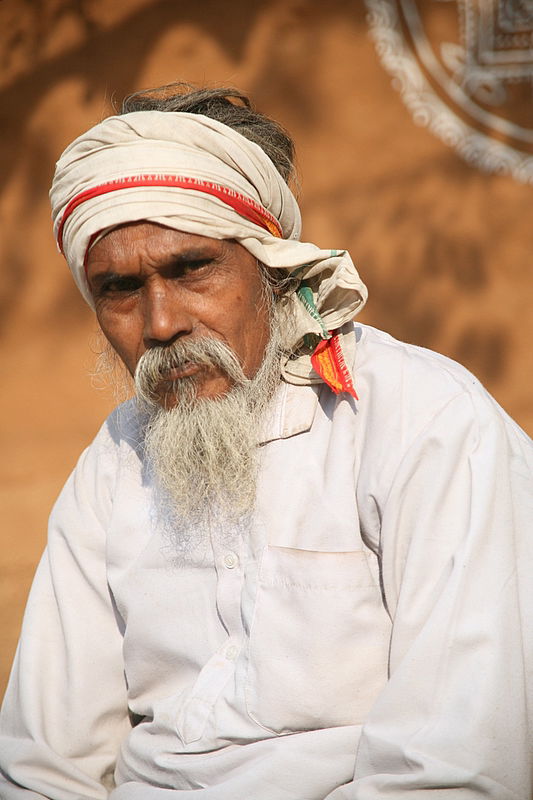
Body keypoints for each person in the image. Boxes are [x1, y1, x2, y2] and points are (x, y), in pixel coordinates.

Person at [0, 83, 531, 800]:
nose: (160, 324)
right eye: (120, 288)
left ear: (270, 266)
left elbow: (457, 766)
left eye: (192, 269)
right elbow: (44, 764)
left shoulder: (423, 419)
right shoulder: (116, 462)